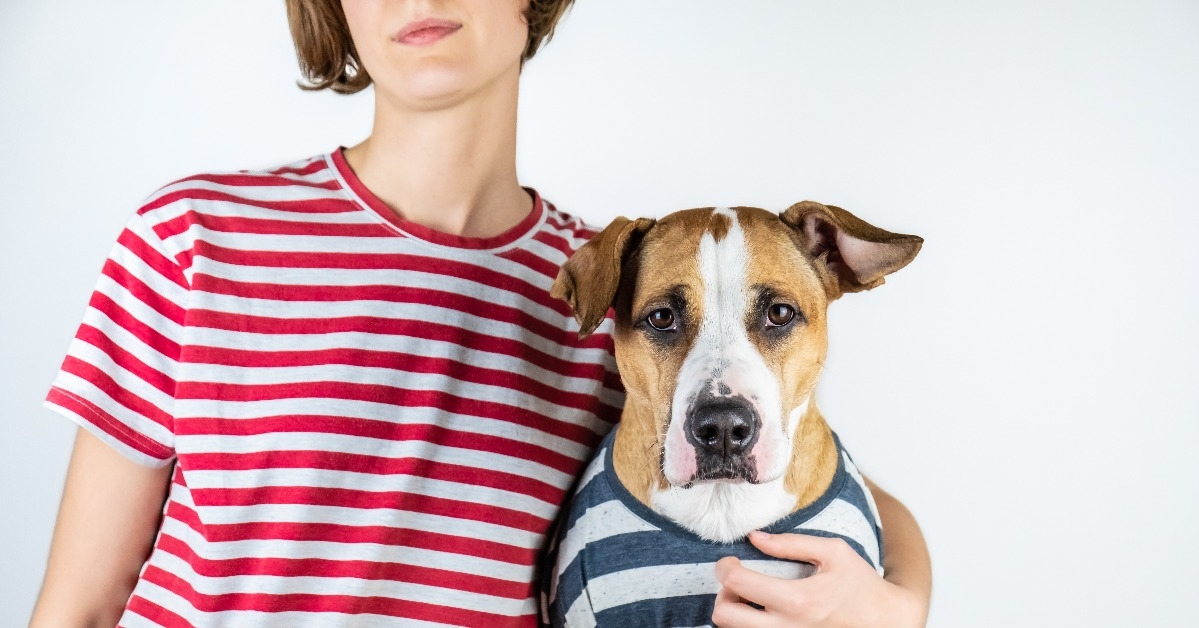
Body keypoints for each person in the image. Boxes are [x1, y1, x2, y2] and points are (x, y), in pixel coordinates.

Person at [29, 1, 931, 626]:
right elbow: (81, 605)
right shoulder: (194, 236)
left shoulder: (618, 298)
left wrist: (899, 605)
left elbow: (820, 469)